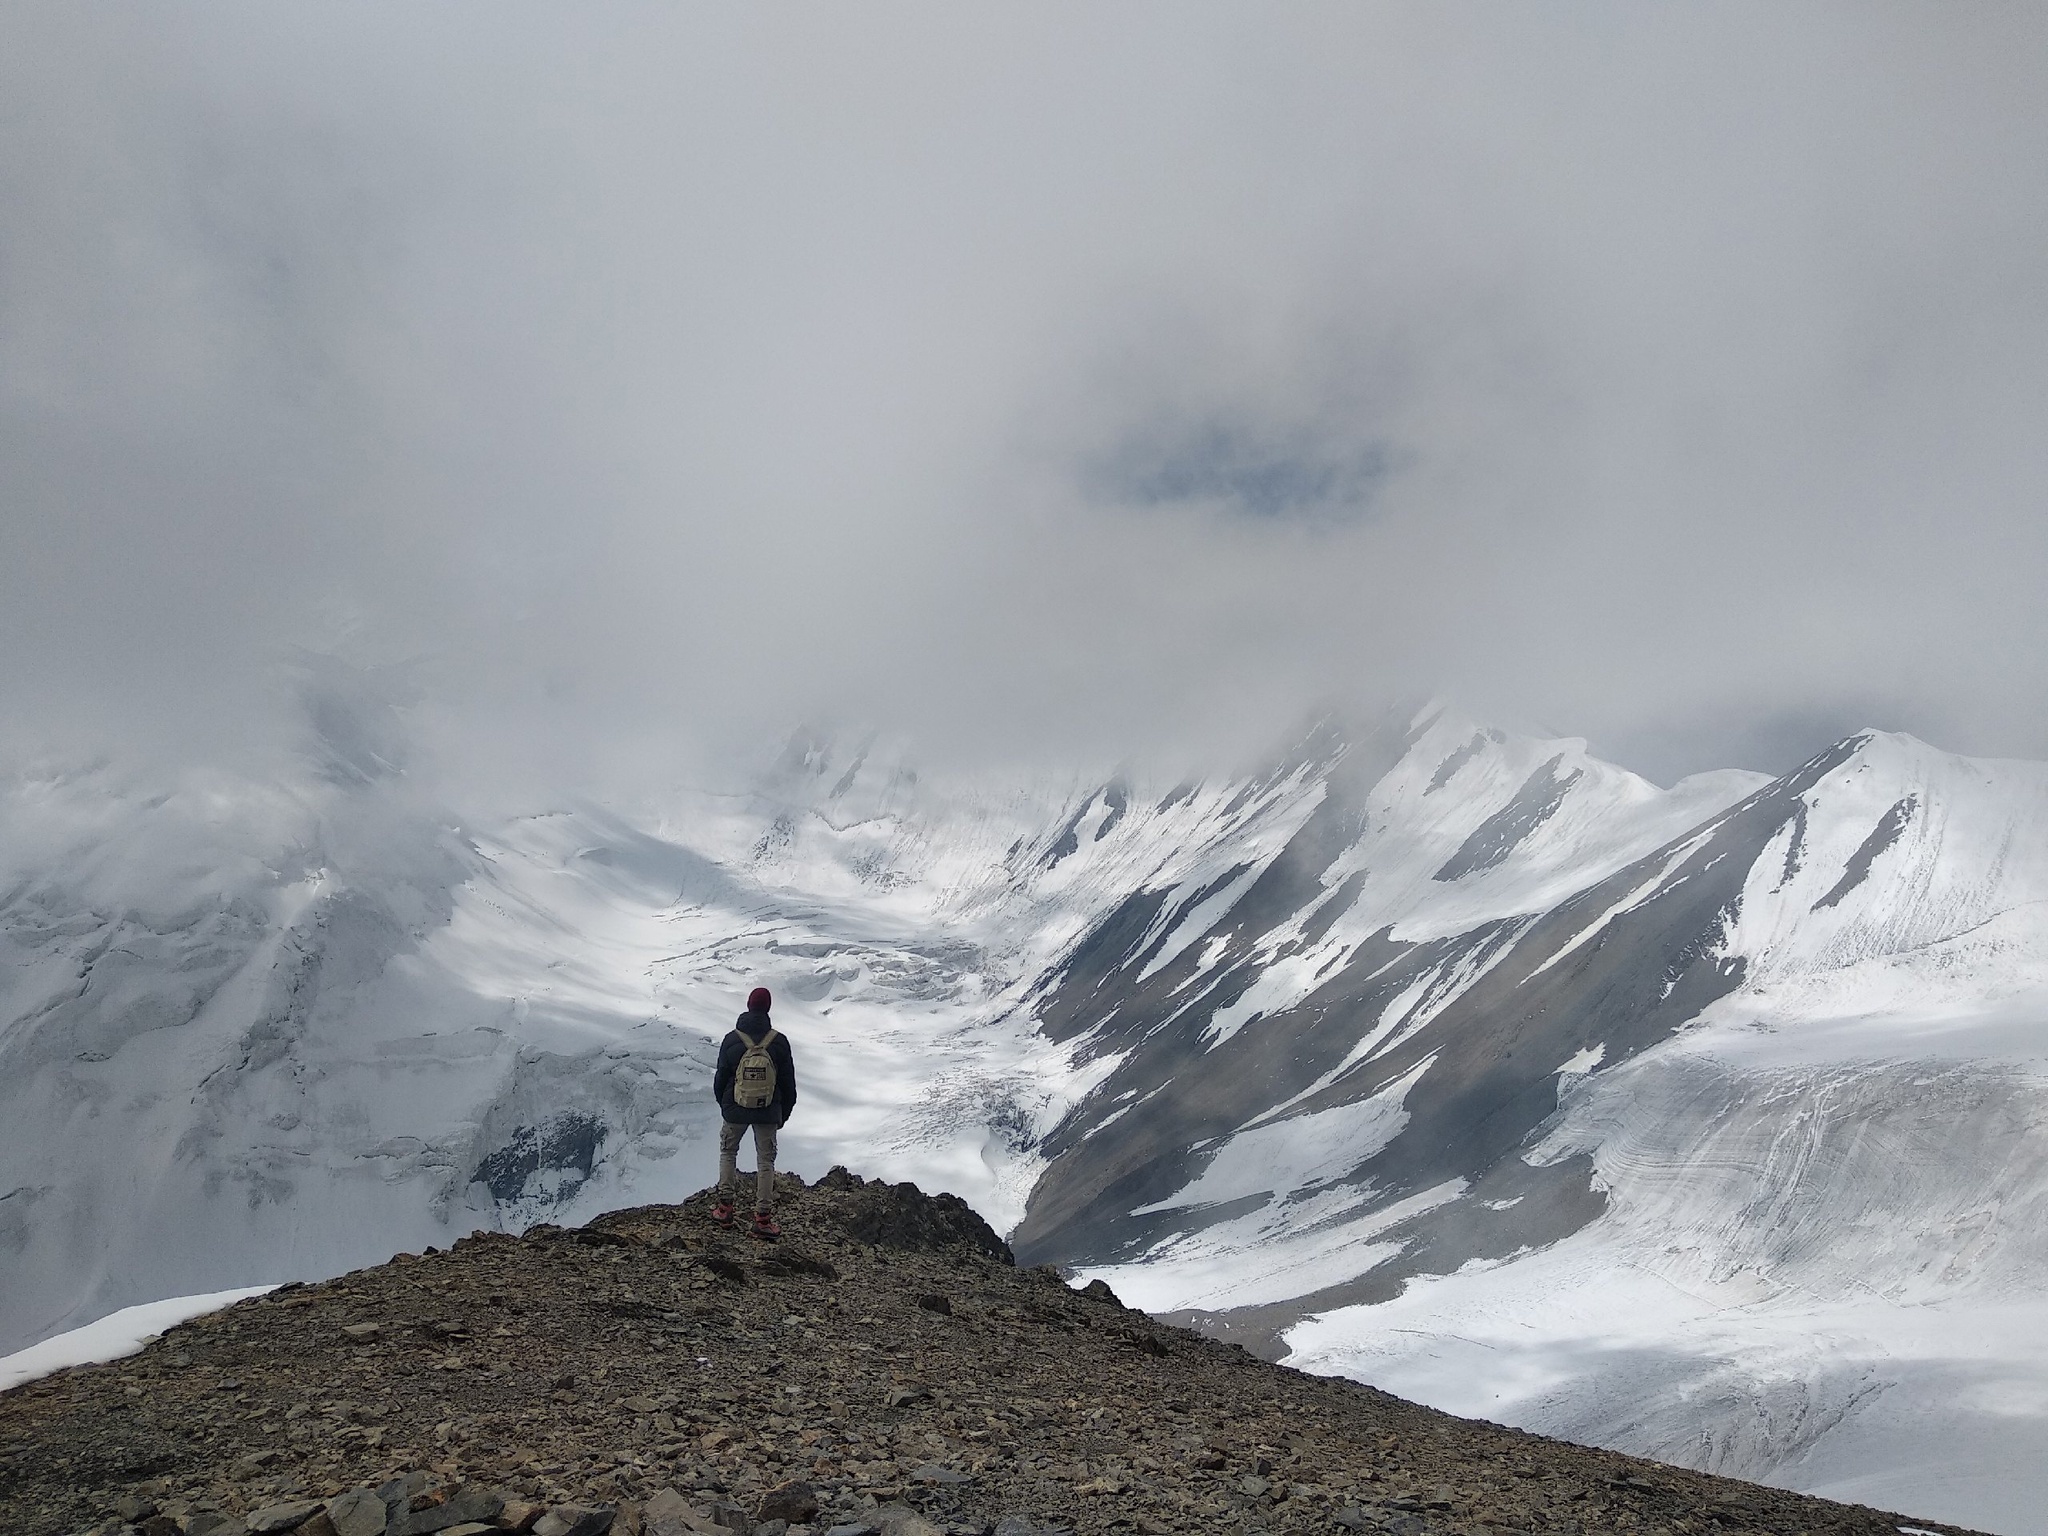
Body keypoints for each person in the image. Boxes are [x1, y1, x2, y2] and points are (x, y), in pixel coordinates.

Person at [711, 985, 797, 1237]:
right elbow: (788, 1084)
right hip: (768, 1110)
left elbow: (720, 1078)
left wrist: (725, 1105)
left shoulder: (731, 1039)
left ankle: (725, 1209)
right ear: (768, 1009)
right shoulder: (779, 1042)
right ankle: (762, 1220)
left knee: (728, 1152)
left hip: (735, 1107)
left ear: (748, 1006)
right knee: (765, 1161)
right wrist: (783, 1113)